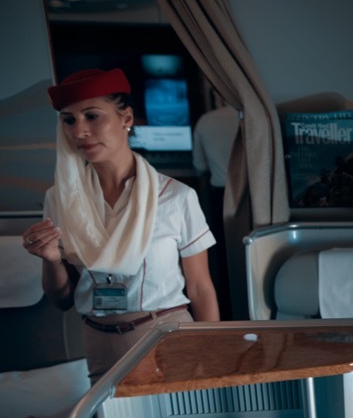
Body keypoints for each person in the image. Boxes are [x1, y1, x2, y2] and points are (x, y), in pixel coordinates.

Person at [22, 68, 220, 381]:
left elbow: (200, 287)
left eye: (92, 116)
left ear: (126, 118)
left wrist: (208, 355)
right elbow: (61, 300)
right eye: (69, 120)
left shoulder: (175, 197)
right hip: (98, 340)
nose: (80, 131)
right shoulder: (60, 199)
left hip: (165, 334)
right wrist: (51, 260)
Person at [191, 105, 237, 317]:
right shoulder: (255, 117)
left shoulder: (207, 121)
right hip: (256, 194)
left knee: (221, 259)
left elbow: (199, 165)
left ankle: (227, 312)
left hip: (220, 194)